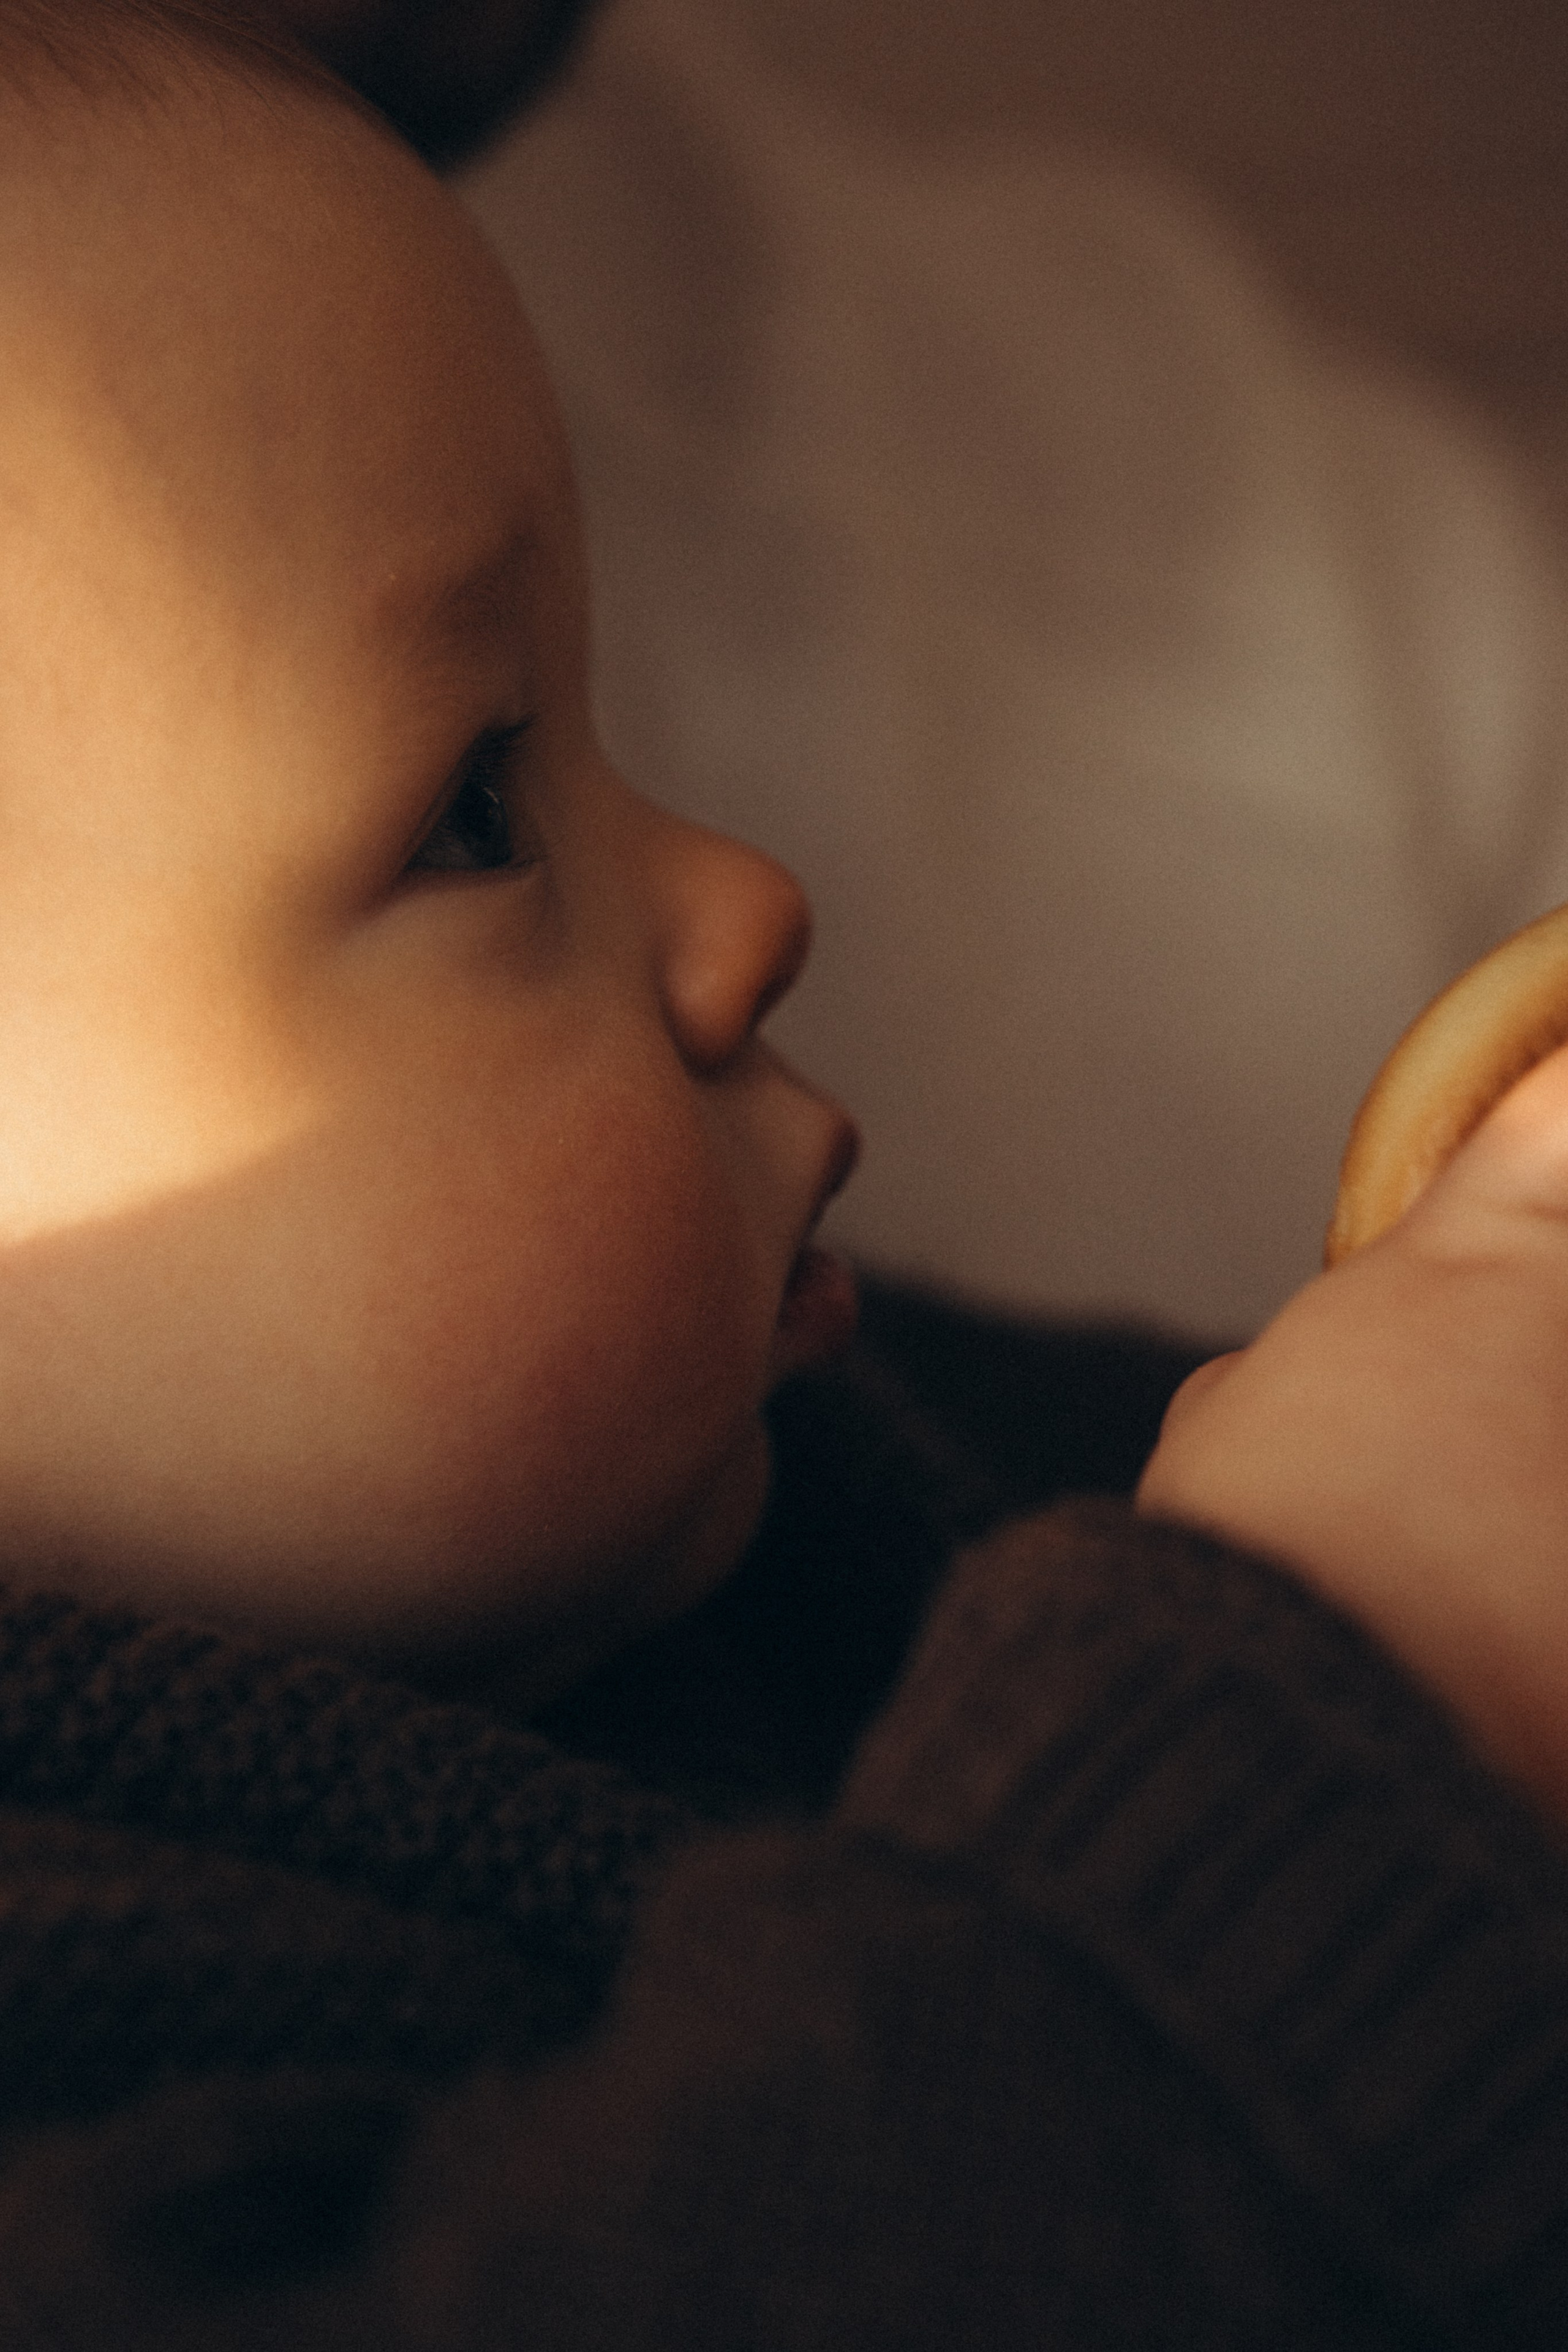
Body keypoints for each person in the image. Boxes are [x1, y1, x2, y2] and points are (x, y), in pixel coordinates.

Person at [3, 6, 1568, 2345]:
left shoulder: (809, 1466)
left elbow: (1302, 1456)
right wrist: (1351, 1707)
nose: (752, 899)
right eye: (477, 808)